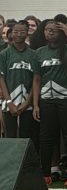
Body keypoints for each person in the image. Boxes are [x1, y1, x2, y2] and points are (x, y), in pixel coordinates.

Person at [37, 19, 67, 187]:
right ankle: (46, 174)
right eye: (47, 29)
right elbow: (36, 79)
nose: (50, 32)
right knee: (46, 138)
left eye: (54, 30)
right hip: (46, 100)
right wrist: (36, 103)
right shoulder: (40, 52)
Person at [0, 21, 41, 149]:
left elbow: (36, 80)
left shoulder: (34, 55)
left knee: (27, 137)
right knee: (10, 137)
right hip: (9, 103)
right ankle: (9, 167)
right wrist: (9, 102)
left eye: (22, 32)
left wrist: (28, 103)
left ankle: (26, 167)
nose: (19, 34)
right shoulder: (4, 54)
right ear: (11, 34)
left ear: (27, 33)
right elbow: (1, 79)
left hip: (27, 104)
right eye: (16, 32)